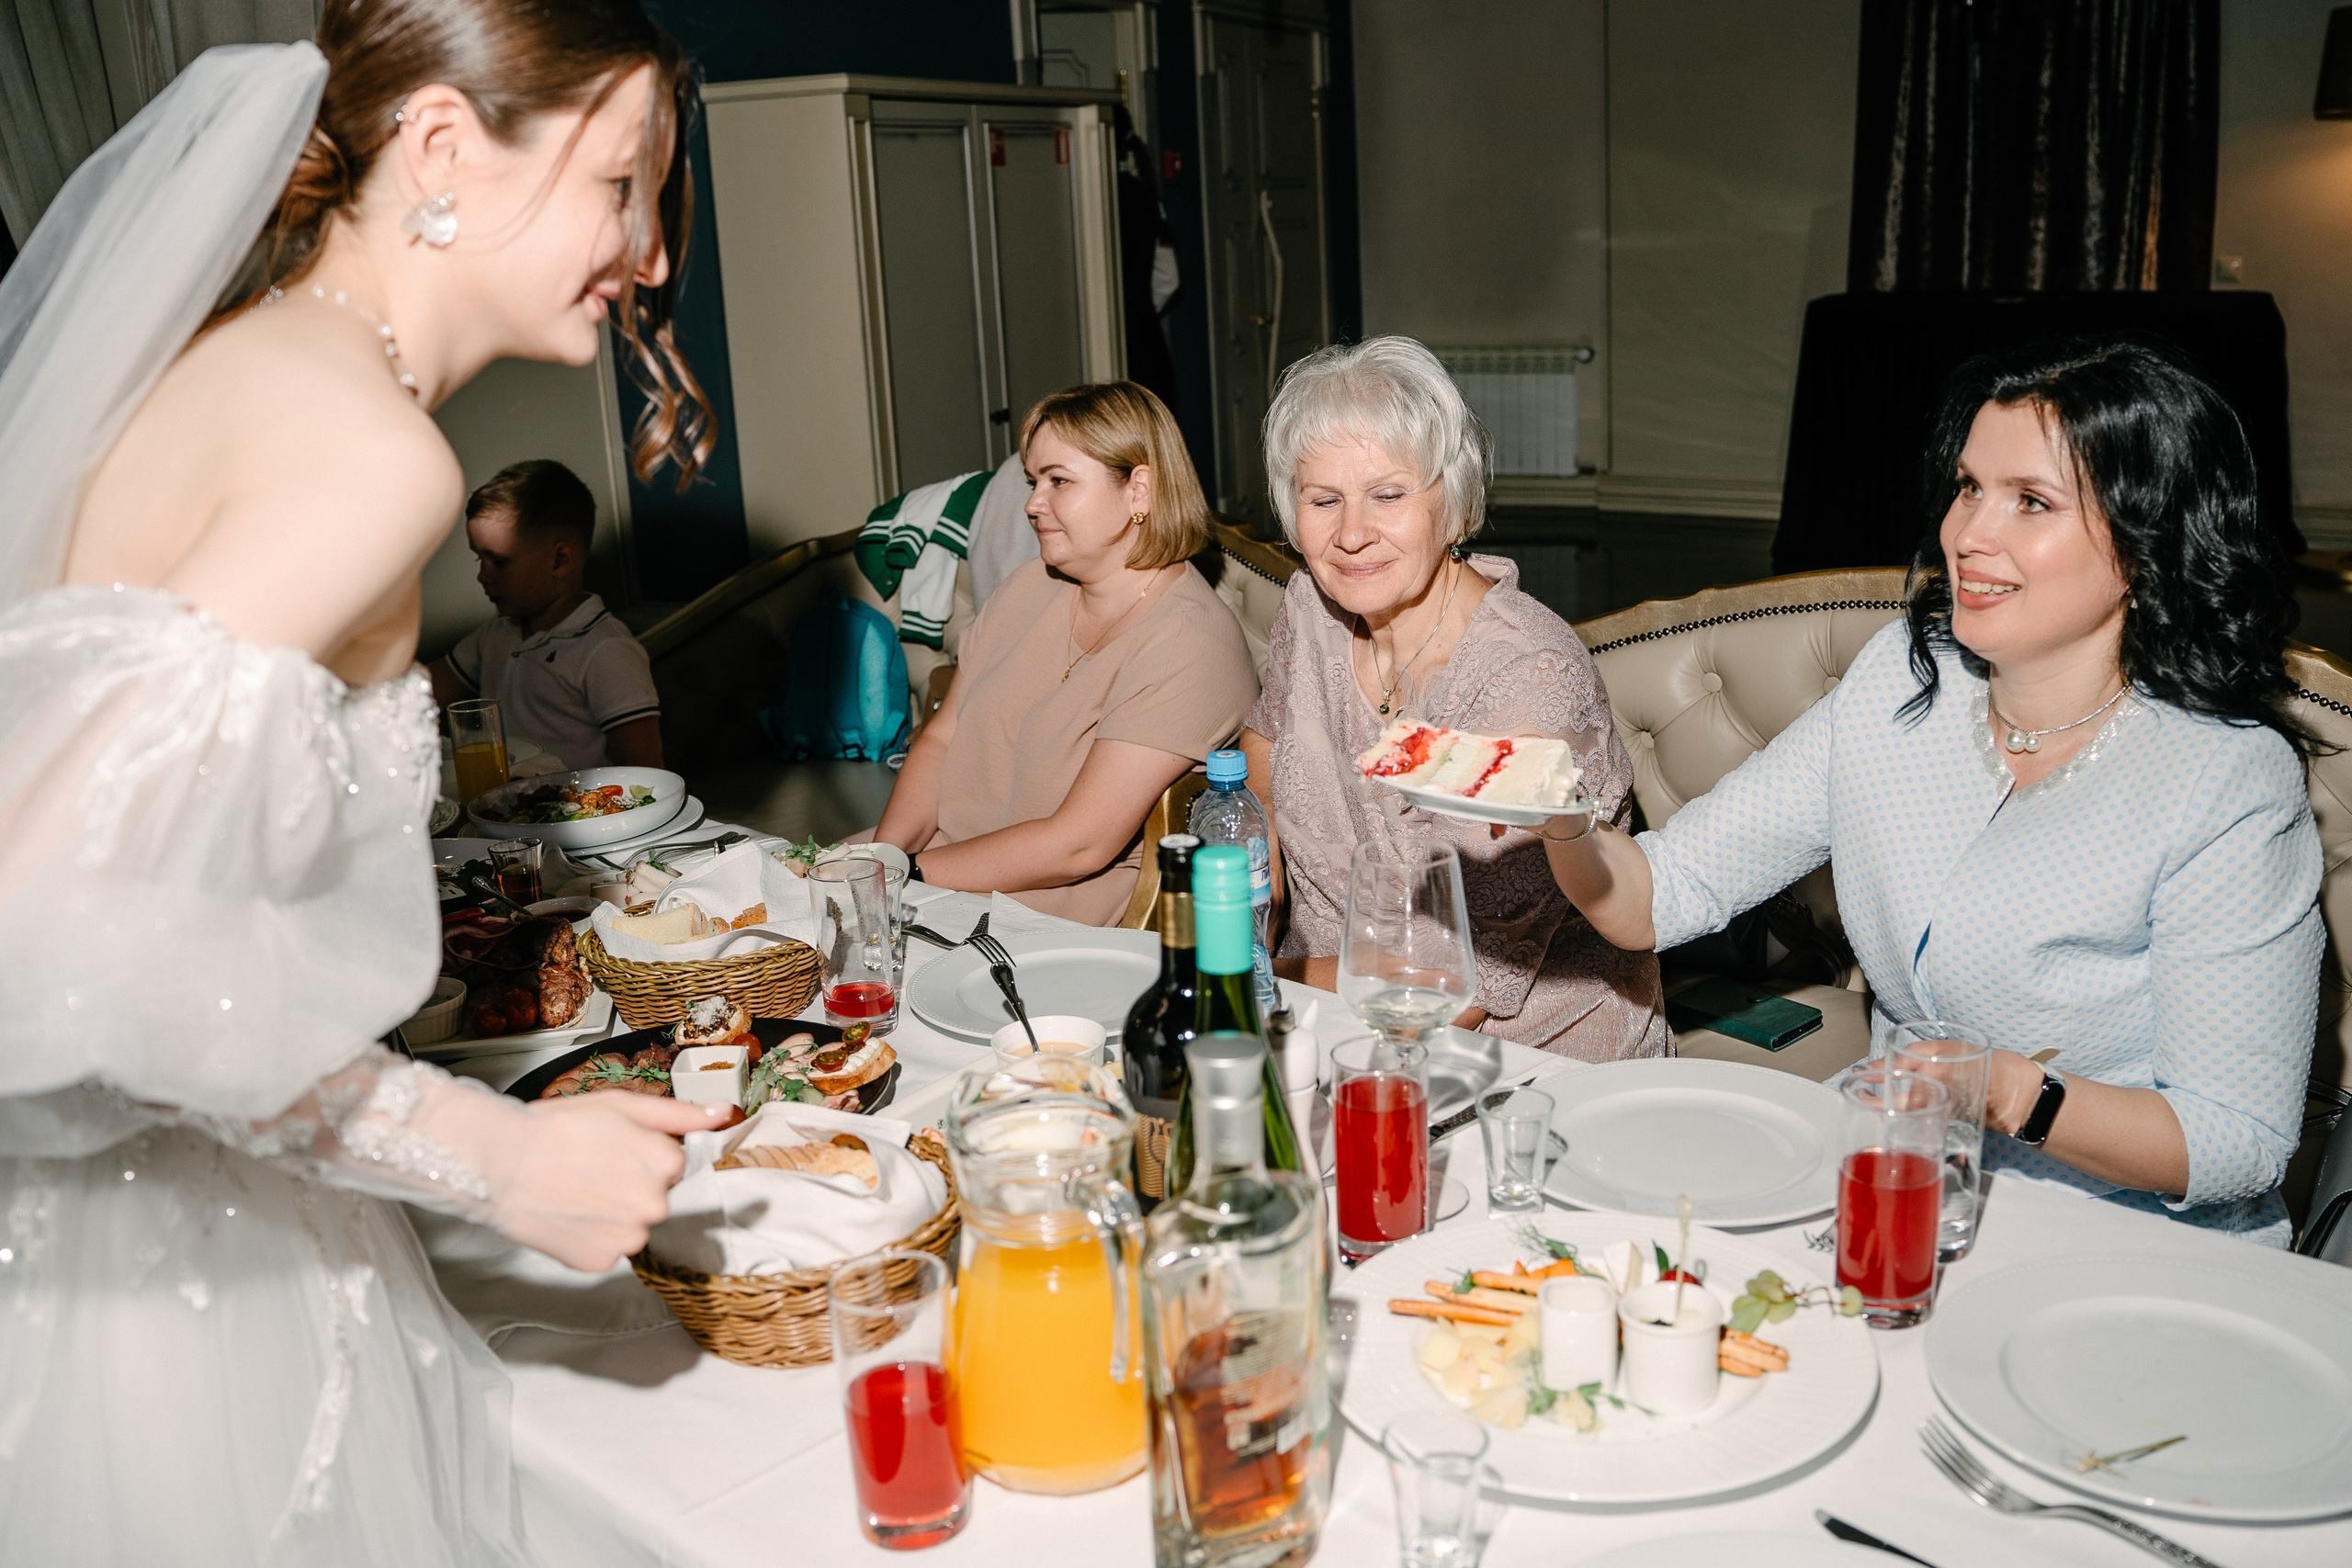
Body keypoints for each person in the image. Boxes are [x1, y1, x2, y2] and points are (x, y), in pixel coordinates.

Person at [0, 6, 731, 1562]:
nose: (651, 252)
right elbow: (46, 927)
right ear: (448, 150)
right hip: (186, 1296)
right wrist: (502, 1158)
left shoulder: (220, 363)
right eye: (621, 183)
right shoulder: (371, 457)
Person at [1541, 334, 2321, 1245]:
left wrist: (2000, 1091)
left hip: (2115, 1230)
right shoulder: (1900, 681)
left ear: (2146, 549)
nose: (1968, 535)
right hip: (1891, 1170)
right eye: (1967, 487)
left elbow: (2239, 1142)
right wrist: (1554, 819)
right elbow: (1656, 895)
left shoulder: (2226, 781)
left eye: (2029, 501)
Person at [1237, 337, 1667, 1058]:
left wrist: (1251, 986)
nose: (1350, 534)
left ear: (1453, 505)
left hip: (1519, 1062)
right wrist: (1258, 902)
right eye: (1324, 500)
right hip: (1316, 1011)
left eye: (1388, 494)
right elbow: (1263, 745)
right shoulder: (1311, 606)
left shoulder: (1525, 676)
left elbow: (1450, 989)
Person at [874, 381, 1257, 925]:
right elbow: (941, 735)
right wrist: (881, 863)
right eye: (1034, 481)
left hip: (1042, 911)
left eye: (1059, 481)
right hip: (934, 867)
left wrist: (906, 876)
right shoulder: (1031, 584)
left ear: (1139, 492)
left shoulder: (1189, 644)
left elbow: (1080, 844)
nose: (1032, 504)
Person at [427, 457, 663, 767]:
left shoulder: (605, 649)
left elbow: (644, 770)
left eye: (498, 561)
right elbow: (426, 689)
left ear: (560, 560)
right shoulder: (497, 632)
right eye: (478, 560)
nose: (483, 576)